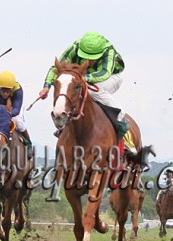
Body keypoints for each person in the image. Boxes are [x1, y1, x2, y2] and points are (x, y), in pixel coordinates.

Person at [39, 31, 151, 166]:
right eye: (85, 56)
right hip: (82, 76)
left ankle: (122, 125)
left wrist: (82, 78)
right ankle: (66, 127)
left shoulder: (109, 51)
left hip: (110, 77)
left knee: (92, 92)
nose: (88, 60)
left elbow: (104, 73)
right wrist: (46, 86)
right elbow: (56, 68)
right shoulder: (74, 47)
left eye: (92, 58)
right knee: (73, 92)